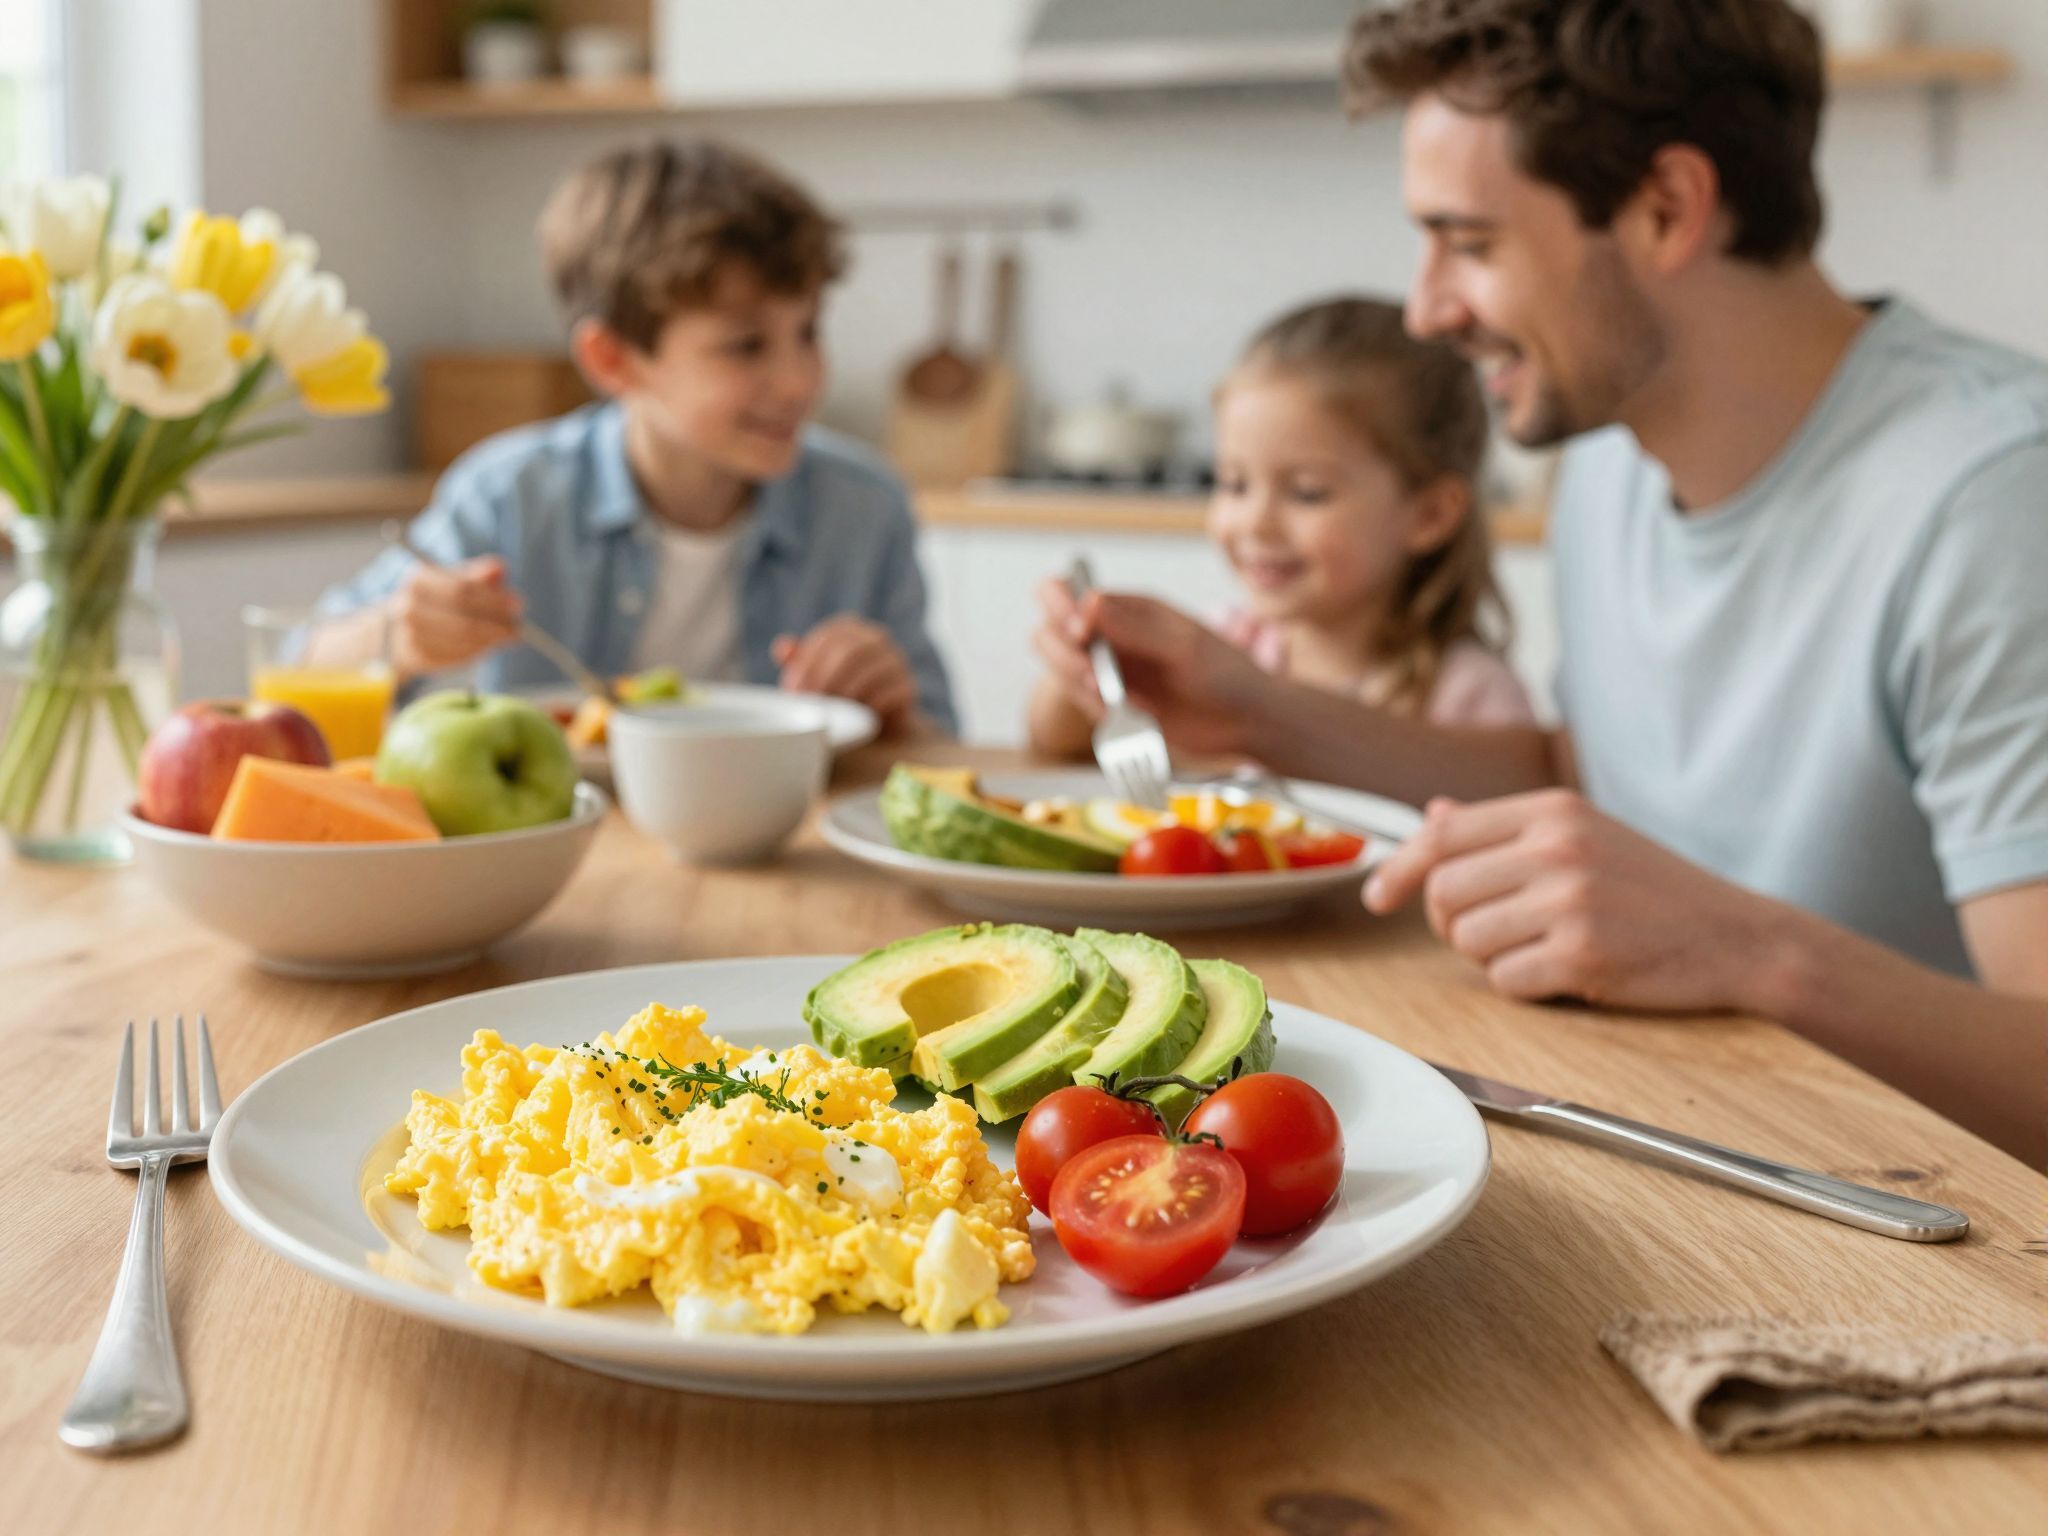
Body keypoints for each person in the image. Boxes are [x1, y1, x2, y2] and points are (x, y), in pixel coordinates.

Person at [1033, 0, 2048, 1163]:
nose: (1427, 309)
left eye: (1468, 244)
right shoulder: (1609, 457)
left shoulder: (1991, 501)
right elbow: (1584, 778)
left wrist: (1752, 953)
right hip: (1684, 1131)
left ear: (1666, 208)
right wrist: (1249, 707)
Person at [310, 138, 957, 736]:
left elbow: (941, 742)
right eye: (746, 346)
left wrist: (893, 709)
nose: (798, 381)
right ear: (613, 359)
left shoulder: (864, 509)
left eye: (808, 332)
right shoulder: (513, 495)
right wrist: (399, 636)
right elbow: (304, 668)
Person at [1028, 296, 1532, 759]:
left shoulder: (1470, 696)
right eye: (1234, 484)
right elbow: (1053, 742)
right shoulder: (1226, 646)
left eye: (1307, 492)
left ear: (1430, 515)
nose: (1255, 523)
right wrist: (1093, 671)